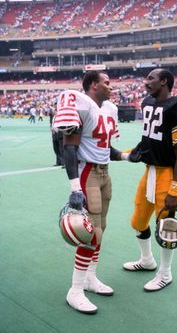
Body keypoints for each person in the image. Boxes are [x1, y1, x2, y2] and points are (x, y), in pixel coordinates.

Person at [52, 71, 127, 314]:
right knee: (91, 232)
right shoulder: (81, 104)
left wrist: (125, 155)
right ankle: (75, 290)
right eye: (106, 82)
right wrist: (75, 187)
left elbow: (105, 146)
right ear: (93, 85)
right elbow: (69, 148)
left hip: (105, 173)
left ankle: (90, 278)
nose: (110, 86)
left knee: (100, 229)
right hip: (88, 174)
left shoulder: (109, 109)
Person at [123, 69, 177, 292]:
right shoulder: (147, 102)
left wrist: (174, 189)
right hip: (150, 170)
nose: (146, 83)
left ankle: (165, 273)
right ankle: (147, 260)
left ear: (164, 81)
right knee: (138, 220)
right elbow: (149, 138)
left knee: (166, 226)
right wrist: (130, 152)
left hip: (169, 172)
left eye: (151, 78)